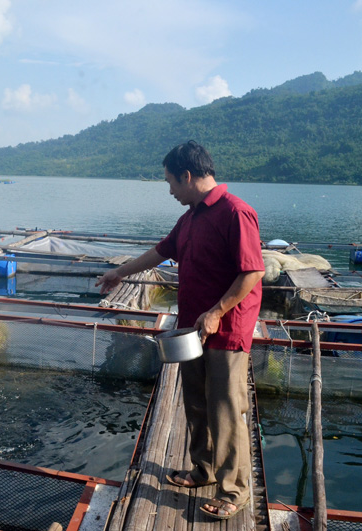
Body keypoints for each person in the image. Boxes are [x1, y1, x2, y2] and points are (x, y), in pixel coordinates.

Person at [95, 140, 265, 520]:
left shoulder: (235, 212)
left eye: (171, 181)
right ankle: (203, 470)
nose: (169, 189)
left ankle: (233, 490)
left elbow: (252, 271)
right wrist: (118, 273)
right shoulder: (189, 218)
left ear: (188, 176)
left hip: (225, 330)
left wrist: (217, 311)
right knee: (196, 403)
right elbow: (160, 252)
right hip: (192, 329)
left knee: (224, 409)